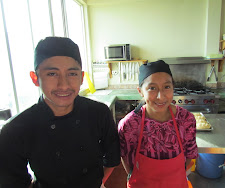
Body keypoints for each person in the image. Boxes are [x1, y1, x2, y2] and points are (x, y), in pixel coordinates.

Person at [0, 37, 120, 188]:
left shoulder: (99, 113)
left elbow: (112, 157)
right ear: (35, 78)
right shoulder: (15, 130)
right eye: (52, 74)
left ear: (82, 77)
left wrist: (98, 183)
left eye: (72, 74)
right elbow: (13, 182)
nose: (64, 85)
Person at [118, 60, 198, 188]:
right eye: (152, 88)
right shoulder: (129, 125)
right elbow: (126, 159)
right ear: (140, 91)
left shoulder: (186, 120)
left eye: (167, 87)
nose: (161, 97)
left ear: (173, 87)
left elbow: (190, 155)